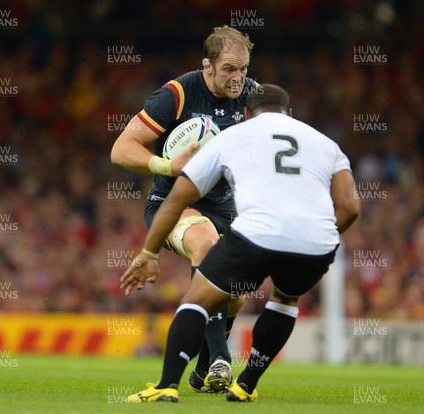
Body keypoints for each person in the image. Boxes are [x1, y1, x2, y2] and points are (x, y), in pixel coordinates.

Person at [120, 84, 360, 403]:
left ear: (246, 114)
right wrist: (318, 237)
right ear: (290, 114)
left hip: (256, 234)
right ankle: (245, 385)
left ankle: (167, 385)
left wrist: (149, 252)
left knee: (197, 300)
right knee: (284, 301)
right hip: (317, 241)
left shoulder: (232, 136)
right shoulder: (327, 144)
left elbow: (176, 199)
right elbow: (350, 207)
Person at [110, 25, 258, 392]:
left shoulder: (254, 97)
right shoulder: (177, 93)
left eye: (243, 69)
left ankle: (203, 369)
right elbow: (121, 149)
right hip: (173, 202)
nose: (238, 78)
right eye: (228, 69)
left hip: (227, 207)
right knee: (205, 243)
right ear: (207, 66)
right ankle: (222, 357)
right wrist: (166, 166)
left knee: (236, 294)